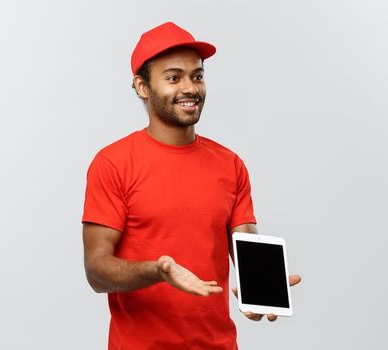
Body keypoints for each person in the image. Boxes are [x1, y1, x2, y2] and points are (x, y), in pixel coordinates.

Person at [81, 22, 302, 349]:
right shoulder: (113, 163)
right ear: (142, 86)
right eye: (173, 78)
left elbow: (245, 245)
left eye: (197, 76)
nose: (190, 88)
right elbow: (97, 271)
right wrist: (158, 271)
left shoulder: (230, 164)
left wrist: (262, 289)